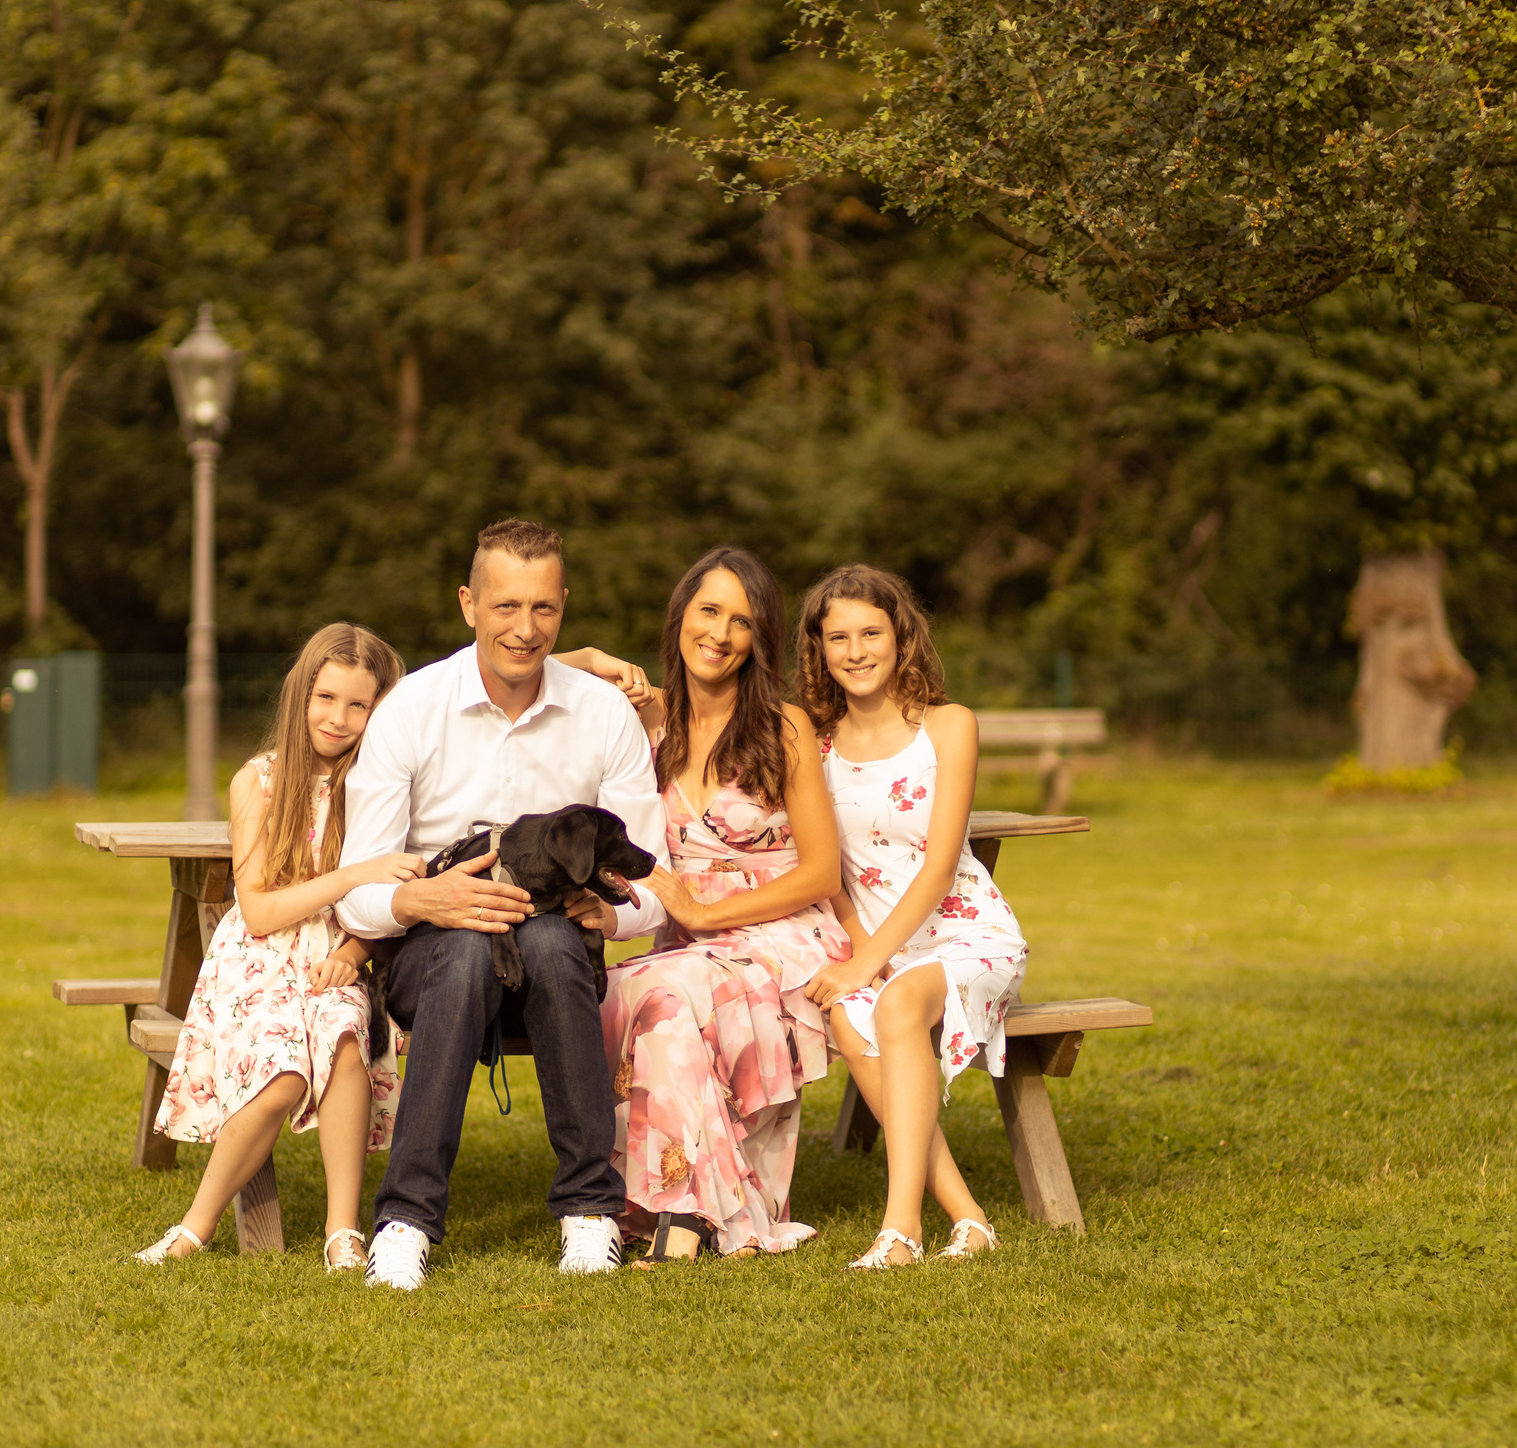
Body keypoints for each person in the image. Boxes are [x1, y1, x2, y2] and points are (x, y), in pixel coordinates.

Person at [335, 519, 674, 1287]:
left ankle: (590, 1212)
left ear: (563, 605)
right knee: (459, 952)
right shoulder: (412, 708)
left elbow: (654, 878)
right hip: (432, 954)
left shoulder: (602, 713)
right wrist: (429, 896)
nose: (525, 629)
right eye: (506, 606)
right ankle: (405, 1220)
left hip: (555, 961)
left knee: (554, 943)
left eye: (544, 608)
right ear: (468, 604)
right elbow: (358, 895)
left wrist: (612, 915)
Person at [593, 547, 851, 1263]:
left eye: (742, 620)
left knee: (666, 991)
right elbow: (544, 670)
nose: (722, 632)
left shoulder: (783, 725)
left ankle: (680, 1215)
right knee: (632, 992)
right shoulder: (650, 732)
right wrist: (591, 653)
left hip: (781, 934)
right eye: (709, 610)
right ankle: (698, 1210)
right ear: (680, 618)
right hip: (687, 948)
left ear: (758, 639)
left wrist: (708, 915)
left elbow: (824, 871)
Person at [133, 623, 411, 1271]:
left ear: (379, 711)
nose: (338, 718)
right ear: (299, 696)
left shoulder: (379, 787)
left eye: (358, 704)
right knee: (285, 1071)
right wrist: (349, 877)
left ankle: (342, 1230)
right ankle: (193, 1229)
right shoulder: (258, 782)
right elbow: (257, 911)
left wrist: (357, 951)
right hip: (255, 960)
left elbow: (392, 893)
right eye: (326, 697)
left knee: (345, 1038)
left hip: (334, 952)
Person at [798, 564, 1028, 1269]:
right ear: (819, 648)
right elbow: (825, 868)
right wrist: (863, 950)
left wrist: (872, 962)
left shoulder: (949, 726)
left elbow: (937, 865)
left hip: (964, 933)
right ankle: (968, 1214)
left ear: (902, 638)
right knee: (842, 1009)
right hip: (874, 939)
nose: (857, 649)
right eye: (839, 636)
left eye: (872, 632)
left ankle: (900, 1228)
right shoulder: (814, 740)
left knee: (890, 999)